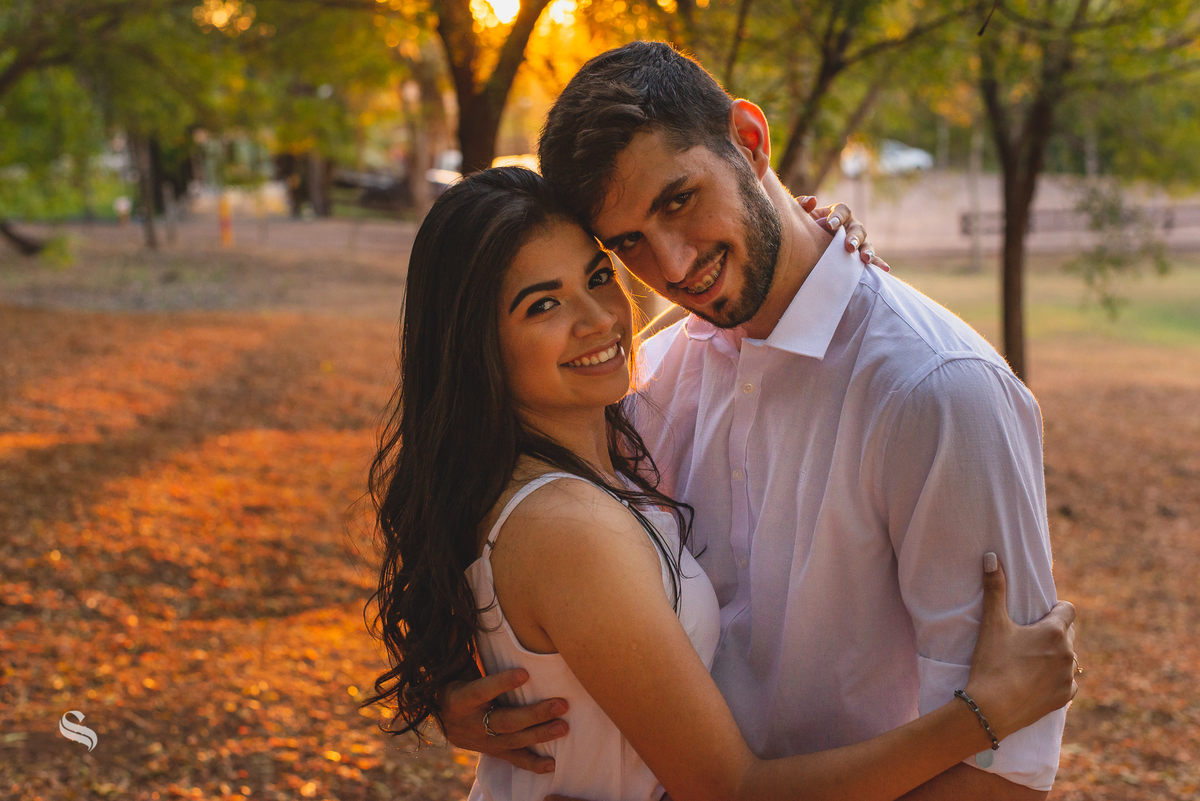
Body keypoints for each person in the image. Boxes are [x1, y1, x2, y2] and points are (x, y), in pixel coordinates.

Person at [440, 42, 1074, 798]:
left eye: (679, 200)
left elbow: (1003, 770)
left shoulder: (939, 395)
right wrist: (454, 677)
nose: (672, 266)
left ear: (750, 139)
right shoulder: (646, 380)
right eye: (629, 243)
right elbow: (473, 479)